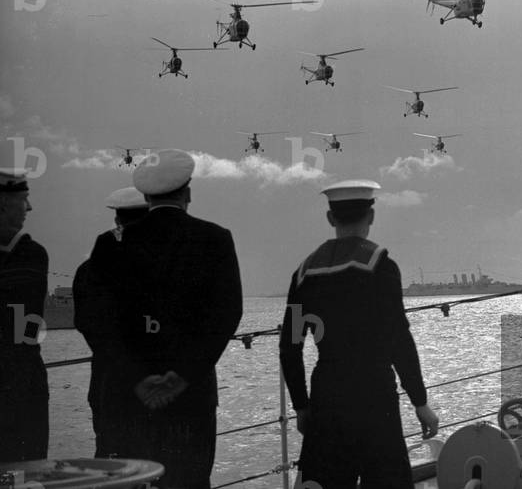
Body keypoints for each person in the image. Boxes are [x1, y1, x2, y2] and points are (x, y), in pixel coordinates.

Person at [90, 149, 243, 488]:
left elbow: (94, 320)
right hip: (190, 399)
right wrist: (183, 377)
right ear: (187, 193)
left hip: (128, 399)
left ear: (145, 196)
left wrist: (137, 378)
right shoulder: (215, 239)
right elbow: (228, 314)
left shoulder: (110, 245)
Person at [279, 179, 439, 488]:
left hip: (326, 396)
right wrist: (420, 401)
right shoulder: (381, 267)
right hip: (374, 394)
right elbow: (398, 338)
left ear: (330, 219)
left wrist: (301, 406)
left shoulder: (303, 276)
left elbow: (291, 347)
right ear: (371, 217)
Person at [73, 186, 150, 458]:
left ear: (117, 221)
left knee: (112, 464)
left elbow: (84, 322)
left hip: (109, 383)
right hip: (159, 386)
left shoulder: (89, 269)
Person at [0, 167, 48, 462]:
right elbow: (26, 331)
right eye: (23, 199)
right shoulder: (31, 254)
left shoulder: (31, 254)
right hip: (22, 386)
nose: (28, 207)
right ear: (3, 203)